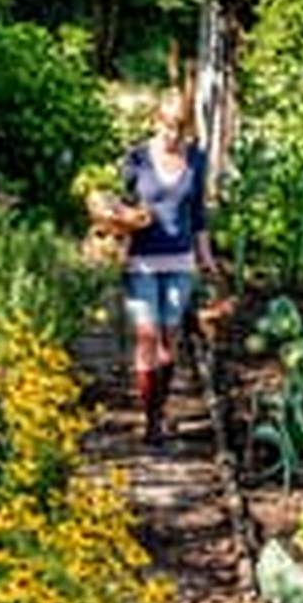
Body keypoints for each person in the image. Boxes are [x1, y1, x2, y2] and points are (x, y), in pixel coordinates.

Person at [122, 89, 217, 445]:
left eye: (180, 128)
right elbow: (123, 207)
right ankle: (150, 422)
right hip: (141, 261)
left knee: (168, 340)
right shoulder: (136, 160)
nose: (173, 135)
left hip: (179, 261)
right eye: (167, 126)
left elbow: (198, 214)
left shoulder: (196, 159)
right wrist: (117, 236)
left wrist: (206, 257)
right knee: (147, 337)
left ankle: (160, 412)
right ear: (155, 121)